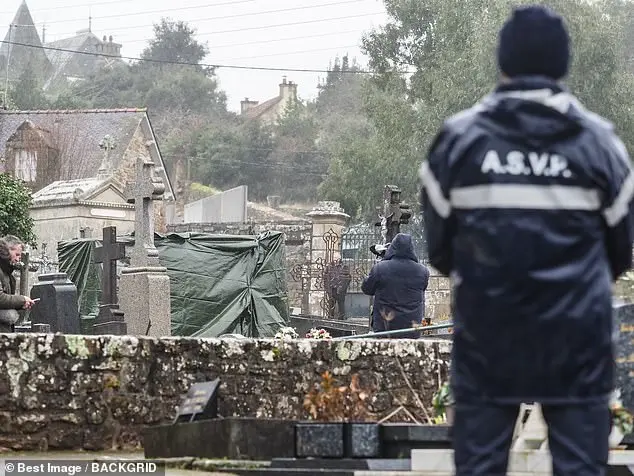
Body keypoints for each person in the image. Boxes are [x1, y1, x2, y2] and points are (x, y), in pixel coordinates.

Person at [419, 5, 634, 475]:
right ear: (563, 64)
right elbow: (620, 251)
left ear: (503, 62)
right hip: (576, 341)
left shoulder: (458, 142)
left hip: (488, 337)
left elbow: (439, 249)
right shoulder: (602, 146)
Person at [361, 233, 430, 338]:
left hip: (386, 326)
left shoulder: (380, 268)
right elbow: (423, 288)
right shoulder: (423, 271)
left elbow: (367, 289)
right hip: (412, 327)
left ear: (392, 248)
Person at [0, 235, 35, 332]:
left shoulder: (8, 276)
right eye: (17, 254)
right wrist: (21, 299)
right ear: (7, 250)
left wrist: (20, 305)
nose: (19, 258)